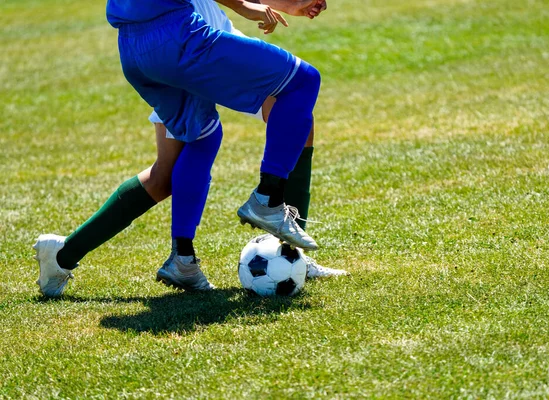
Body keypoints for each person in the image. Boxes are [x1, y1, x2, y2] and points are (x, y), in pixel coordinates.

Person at [34, 0, 346, 298]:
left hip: (150, 42)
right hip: (185, 39)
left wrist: (287, 4)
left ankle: (288, 255)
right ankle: (264, 207)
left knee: (283, 126)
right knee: (166, 175)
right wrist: (245, 6)